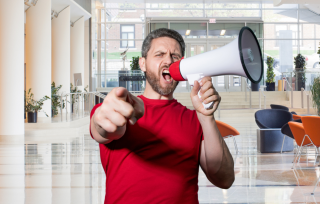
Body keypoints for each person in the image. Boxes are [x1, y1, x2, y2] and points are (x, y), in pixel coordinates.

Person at [90, 28, 235, 204]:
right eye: (160, 54)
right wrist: (104, 116)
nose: (168, 61)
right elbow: (103, 127)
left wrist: (206, 117)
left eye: (175, 57)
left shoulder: (196, 119)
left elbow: (224, 179)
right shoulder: (121, 107)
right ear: (142, 63)